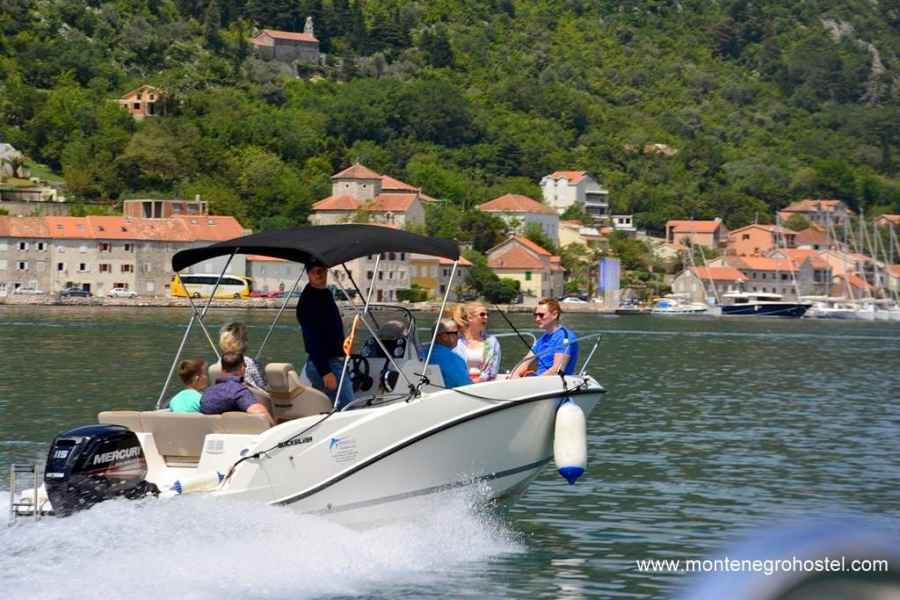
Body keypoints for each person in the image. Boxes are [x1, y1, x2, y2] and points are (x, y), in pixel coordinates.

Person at [296, 261, 354, 409]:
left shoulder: (324, 294)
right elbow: (312, 338)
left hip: (330, 362)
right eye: (316, 271)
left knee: (327, 410)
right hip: (326, 365)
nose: (320, 275)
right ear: (308, 274)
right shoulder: (308, 301)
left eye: (323, 271)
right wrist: (325, 372)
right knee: (349, 409)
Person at [511, 298, 579, 377]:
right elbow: (525, 362)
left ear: (554, 315)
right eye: (535, 315)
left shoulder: (565, 337)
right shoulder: (541, 340)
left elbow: (557, 369)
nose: (537, 319)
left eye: (541, 315)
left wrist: (535, 382)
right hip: (539, 381)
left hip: (555, 383)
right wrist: (514, 376)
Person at [200, 352, 274, 424]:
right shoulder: (239, 391)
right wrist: (274, 428)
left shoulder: (207, 392)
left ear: (222, 370)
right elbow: (261, 414)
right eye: (244, 365)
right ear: (242, 368)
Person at [454, 302, 501, 382]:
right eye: (482, 314)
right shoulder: (456, 341)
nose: (486, 317)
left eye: (487, 315)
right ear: (470, 318)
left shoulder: (492, 342)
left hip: (482, 385)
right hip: (459, 383)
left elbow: (492, 371)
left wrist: (475, 382)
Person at [423, 318, 472, 389]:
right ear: (444, 336)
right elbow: (468, 387)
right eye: (456, 333)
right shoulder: (453, 360)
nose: (459, 336)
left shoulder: (422, 353)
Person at [219, 322, 267, 389]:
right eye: (246, 338)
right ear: (243, 341)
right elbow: (262, 388)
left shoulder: (219, 363)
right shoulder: (250, 363)